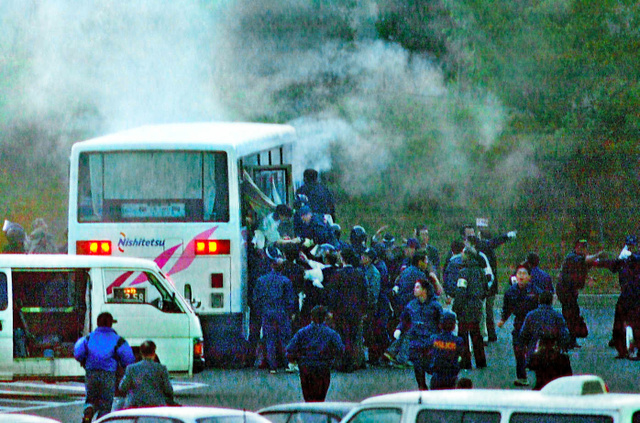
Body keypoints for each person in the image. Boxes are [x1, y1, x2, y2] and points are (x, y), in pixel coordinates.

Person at [74, 312, 136, 422]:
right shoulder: (117, 340)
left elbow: (78, 353)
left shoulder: (89, 338)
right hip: (109, 374)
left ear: (98, 323)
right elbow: (128, 358)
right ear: (111, 324)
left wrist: (85, 361)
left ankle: (89, 409)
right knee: (106, 403)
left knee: (91, 398)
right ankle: (101, 420)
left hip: (91, 372)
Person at [252, 246, 297, 373]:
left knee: (270, 339)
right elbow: (290, 300)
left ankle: (272, 366)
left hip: (267, 312)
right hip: (282, 313)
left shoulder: (261, 280)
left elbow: (256, 300)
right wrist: (290, 312)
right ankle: (287, 363)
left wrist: (260, 311)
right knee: (284, 339)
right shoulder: (286, 281)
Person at [286, 305, 345, 402]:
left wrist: (297, 360)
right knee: (320, 399)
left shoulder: (302, 332)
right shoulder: (331, 334)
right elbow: (340, 349)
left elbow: (290, 349)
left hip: (306, 368)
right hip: (323, 368)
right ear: (325, 318)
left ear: (311, 317)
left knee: (308, 399)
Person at [498, 263, 542, 387]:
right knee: (518, 350)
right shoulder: (510, 292)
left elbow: (541, 307)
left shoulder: (536, 291)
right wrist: (503, 320)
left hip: (533, 325)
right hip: (519, 324)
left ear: (529, 277)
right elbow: (507, 308)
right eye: (519, 273)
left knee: (532, 352)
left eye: (524, 273)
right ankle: (522, 377)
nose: (521, 276)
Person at [394, 279, 443, 390]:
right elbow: (405, 319)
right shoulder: (411, 306)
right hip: (416, 342)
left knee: (432, 367)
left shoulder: (435, 306)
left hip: (431, 343)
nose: (414, 290)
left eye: (417, 287)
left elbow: (441, 322)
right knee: (418, 368)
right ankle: (422, 389)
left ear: (424, 290)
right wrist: (399, 329)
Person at [556, 239, 604, 348]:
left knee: (573, 314)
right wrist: (599, 254)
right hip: (565, 291)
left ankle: (571, 340)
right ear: (576, 247)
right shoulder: (572, 257)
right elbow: (586, 261)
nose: (583, 250)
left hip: (571, 291)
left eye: (584, 247)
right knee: (569, 315)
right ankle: (566, 340)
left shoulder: (579, 259)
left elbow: (583, 268)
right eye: (581, 247)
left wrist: (589, 278)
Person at [519, 291, 572, 390]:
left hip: (535, 356)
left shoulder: (531, 315)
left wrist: (527, 349)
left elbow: (522, 336)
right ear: (551, 301)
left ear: (539, 301)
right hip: (554, 356)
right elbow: (565, 337)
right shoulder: (557, 316)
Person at [451, 247, 487, 370]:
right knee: (477, 334)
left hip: (465, 309)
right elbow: (485, 289)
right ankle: (481, 361)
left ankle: (465, 362)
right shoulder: (480, 271)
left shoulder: (463, 273)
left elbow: (461, 291)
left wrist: (456, 307)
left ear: (467, 256)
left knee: (463, 335)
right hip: (477, 307)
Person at [119, 340, 175, 408]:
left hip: (135, 405)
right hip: (156, 405)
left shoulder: (131, 368)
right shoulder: (161, 369)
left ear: (141, 353)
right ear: (154, 353)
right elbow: (168, 389)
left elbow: (122, 387)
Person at [427, 310, 464, 390]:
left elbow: (429, 354)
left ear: (440, 325)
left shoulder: (433, 338)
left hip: (437, 375)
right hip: (451, 376)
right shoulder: (458, 341)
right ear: (454, 326)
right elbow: (461, 357)